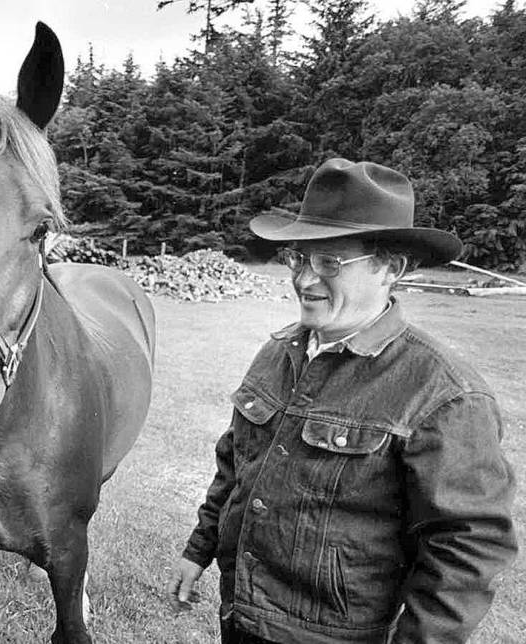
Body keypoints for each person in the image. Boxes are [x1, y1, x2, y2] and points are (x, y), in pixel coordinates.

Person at [172, 158, 517, 644]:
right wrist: (198, 550)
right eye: (298, 258)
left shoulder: (444, 394)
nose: (305, 280)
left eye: (330, 262)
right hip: (240, 618)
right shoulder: (277, 352)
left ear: (390, 269)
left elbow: (466, 550)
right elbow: (234, 465)